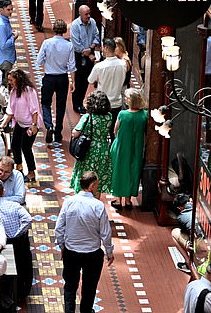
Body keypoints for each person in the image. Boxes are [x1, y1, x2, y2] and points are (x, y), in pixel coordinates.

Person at [55, 171, 114, 313]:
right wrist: (109, 252)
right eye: (97, 185)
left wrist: (62, 246)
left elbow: (59, 228)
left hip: (71, 252)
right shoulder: (98, 206)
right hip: (92, 255)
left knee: (70, 286)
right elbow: (105, 233)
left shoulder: (69, 202)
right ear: (92, 185)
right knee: (89, 288)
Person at [0, 178, 32, 300]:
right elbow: (28, 219)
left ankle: (2, 292)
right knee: (20, 264)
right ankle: (20, 292)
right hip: (18, 242)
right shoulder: (15, 205)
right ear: (4, 191)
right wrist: (18, 233)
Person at [37, 19, 75, 143]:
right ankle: (58, 132)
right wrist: (72, 82)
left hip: (49, 77)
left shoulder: (47, 43)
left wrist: (48, 61)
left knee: (45, 103)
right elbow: (72, 66)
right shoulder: (69, 45)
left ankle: (49, 125)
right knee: (61, 105)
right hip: (62, 78)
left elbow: (39, 60)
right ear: (64, 30)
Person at [0, 69, 42, 182]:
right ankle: (19, 168)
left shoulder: (28, 91)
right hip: (19, 123)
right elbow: (10, 111)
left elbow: (34, 110)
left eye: (11, 80)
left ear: (18, 79)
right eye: (8, 80)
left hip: (30, 124)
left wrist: (34, 125)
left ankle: (31, 173)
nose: (9, 82)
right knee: (14, 145)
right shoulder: (13, 91)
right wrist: (2, 125)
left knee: (26, 148)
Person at [109, 88, 148, 209]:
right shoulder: (144, 115)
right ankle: (128, 200)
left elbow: (115, 130)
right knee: (133, 170)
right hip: (136, 148)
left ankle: (118, 199)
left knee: (119, 170)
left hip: (121, 147)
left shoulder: (122, 114)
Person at [70, 90, 112, 195]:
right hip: (103, 149)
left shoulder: (87, 117)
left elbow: (75, 133)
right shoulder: (109, 117)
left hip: (89, 150)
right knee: (98, 178)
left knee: (84, 177)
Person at [87, 38, 126, 139]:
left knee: (100, 133)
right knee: (114, 131)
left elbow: (91, 80)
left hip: (102, 104)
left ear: (105, 48)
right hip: (117, 103)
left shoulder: (100, 66)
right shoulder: (122, 64)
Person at [71, 4, 100, 114]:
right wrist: (88, 53)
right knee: (78, 80)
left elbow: (97, 36)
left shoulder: (92, 22)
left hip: (89, 55)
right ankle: (76, 104)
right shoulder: (75, 25)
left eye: (89, 13)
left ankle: (81, 101)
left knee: (86, 81)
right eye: (86, 14)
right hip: (79, 56)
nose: (88, 16)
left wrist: (91, 48)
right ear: (80, 15)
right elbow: (76, 44)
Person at [0, 0, 18, 76]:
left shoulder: (4, 20)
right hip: (4, 60)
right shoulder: (1, 25)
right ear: (1, 9)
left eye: (11, 9)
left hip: (6, 57)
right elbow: (3, 45)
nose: (10, 12)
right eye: (8, 9)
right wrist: (14, 38)